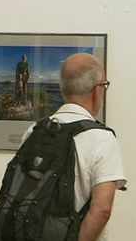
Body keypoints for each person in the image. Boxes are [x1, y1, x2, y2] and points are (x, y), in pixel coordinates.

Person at [21, 53, 126, 241]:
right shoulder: (102, 138)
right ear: (98, 90)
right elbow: (102, 209)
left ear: (63, 89)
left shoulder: (34, 130)